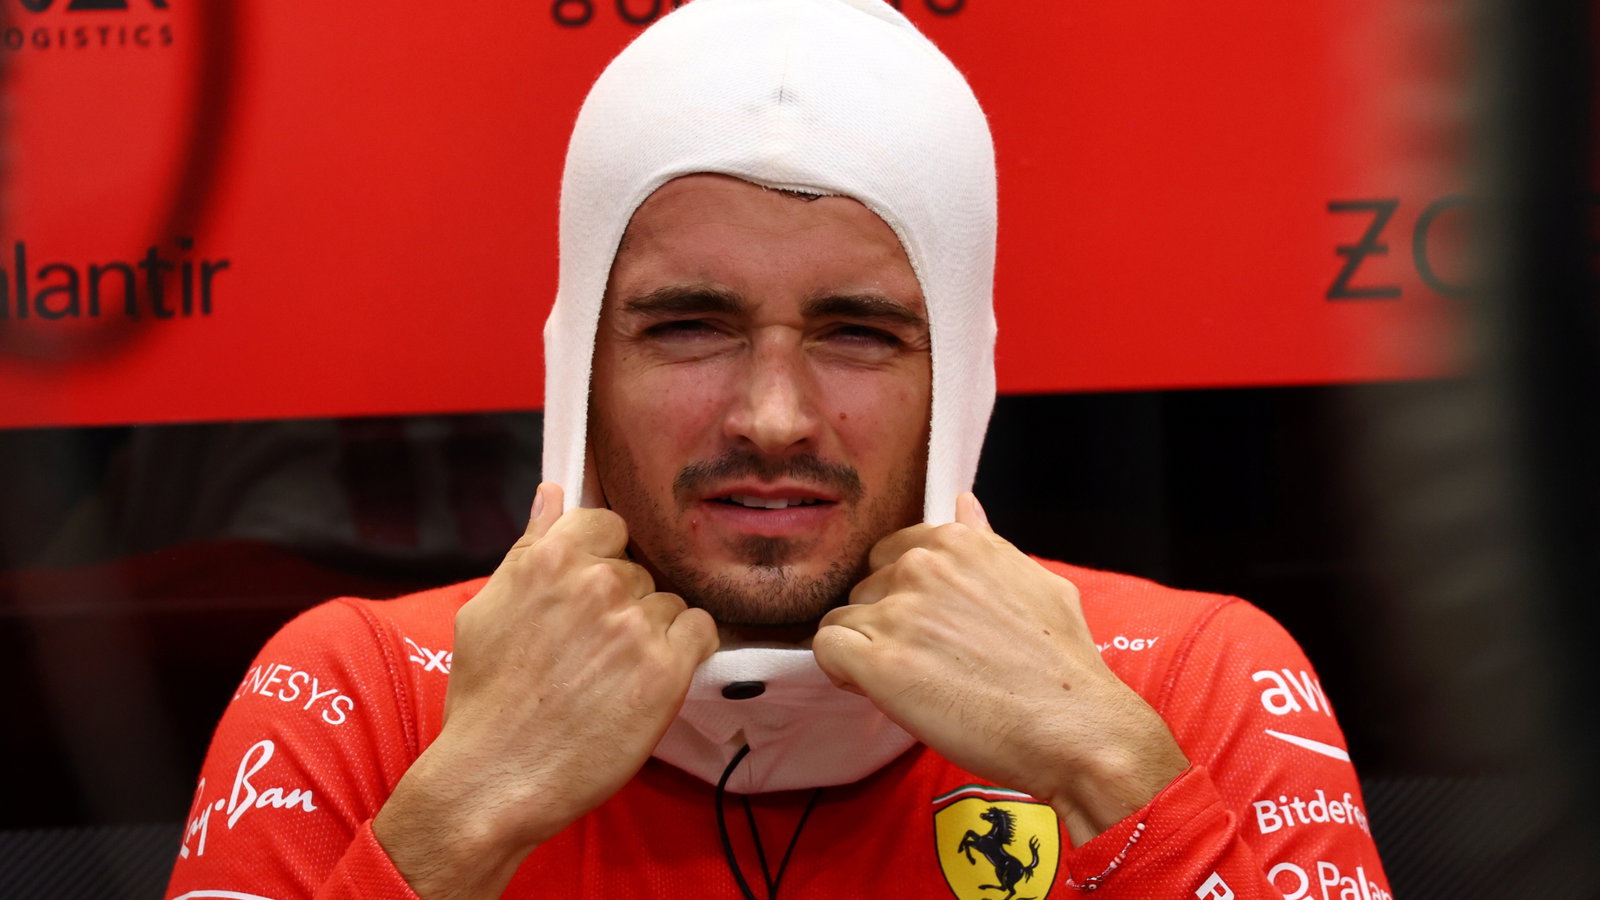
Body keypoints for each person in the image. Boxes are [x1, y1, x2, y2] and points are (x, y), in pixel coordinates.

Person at [166, 1, 1392, 898]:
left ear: (957, 372)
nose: (773, 415)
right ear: (579, 366)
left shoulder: (1183, 679)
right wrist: (461, 811)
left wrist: (1113, 772)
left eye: (857, 333)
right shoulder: (362, 690)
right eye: (690, 326)